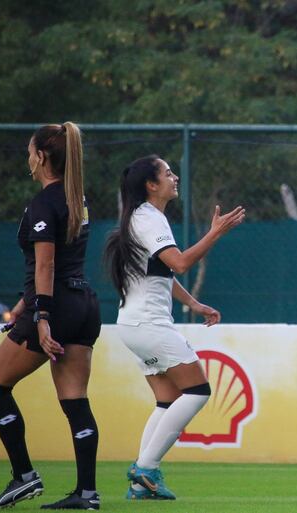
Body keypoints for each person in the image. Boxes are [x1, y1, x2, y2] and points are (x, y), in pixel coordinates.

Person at [103, 155, 245, 500]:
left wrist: (192, 304)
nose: (175, 177)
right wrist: (215, 233)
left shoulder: (142, 217)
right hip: (148, 325)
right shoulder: (149, 219)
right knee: (197, 391)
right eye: (168, 173)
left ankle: (141, 485)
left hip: (134, 324)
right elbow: (179, 263)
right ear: (151, 185)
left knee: (167, 400)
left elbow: (160, 273)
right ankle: (145, 469)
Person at [0, 122, 102, 510]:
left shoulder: (43, 203)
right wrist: (24, 303)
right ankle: (86, 494)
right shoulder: (77, 198)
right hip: (85, 304)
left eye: (29, 150)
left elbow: (47, 265)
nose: (27, 157)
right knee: (75, 402)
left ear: (41, 156)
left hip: (55, 307)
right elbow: (54, 264)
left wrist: (41, 315)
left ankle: (24, 477)